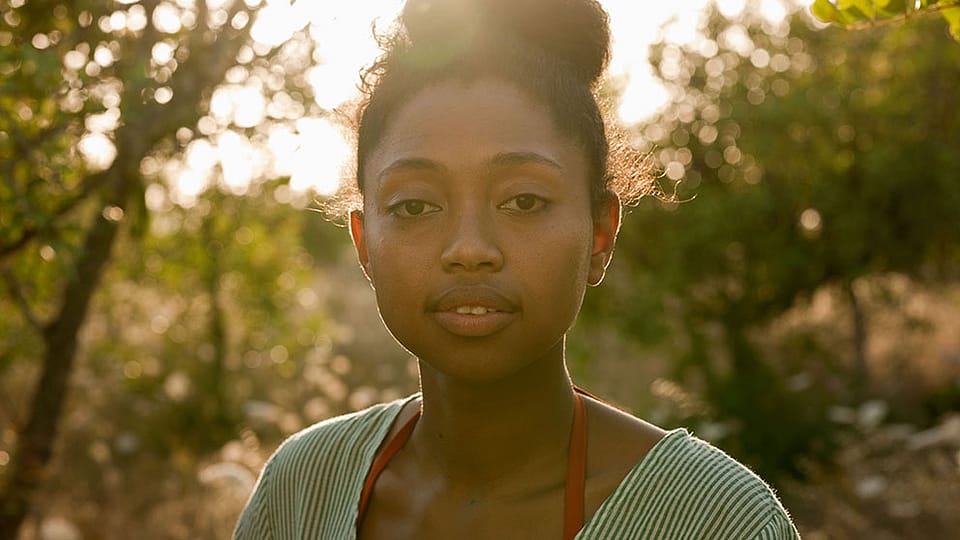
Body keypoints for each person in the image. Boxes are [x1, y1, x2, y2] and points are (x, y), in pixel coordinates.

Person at [234, 0, 800, 538]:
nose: (470, 248)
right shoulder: (300, 492)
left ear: (601, 232)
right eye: (415, 206)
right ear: (364, 246)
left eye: (524, 201)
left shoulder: (714, 521)